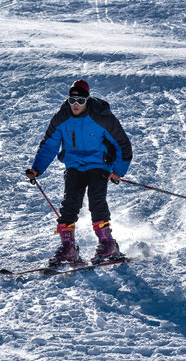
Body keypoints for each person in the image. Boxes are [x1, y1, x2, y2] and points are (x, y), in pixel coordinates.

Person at [26, 80, 133, 265]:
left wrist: (118, 171)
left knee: (96, 200)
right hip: (74, 165)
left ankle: (108, 244)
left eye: (81, 101)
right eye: (72, 101)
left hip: (99, 165)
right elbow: (49, 145)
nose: (75, 105)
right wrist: (37, 169)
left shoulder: (102, 117)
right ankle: (68, 249)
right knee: (69, 204)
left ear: (88, 100)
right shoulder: (62, 117)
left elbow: (122, 143)